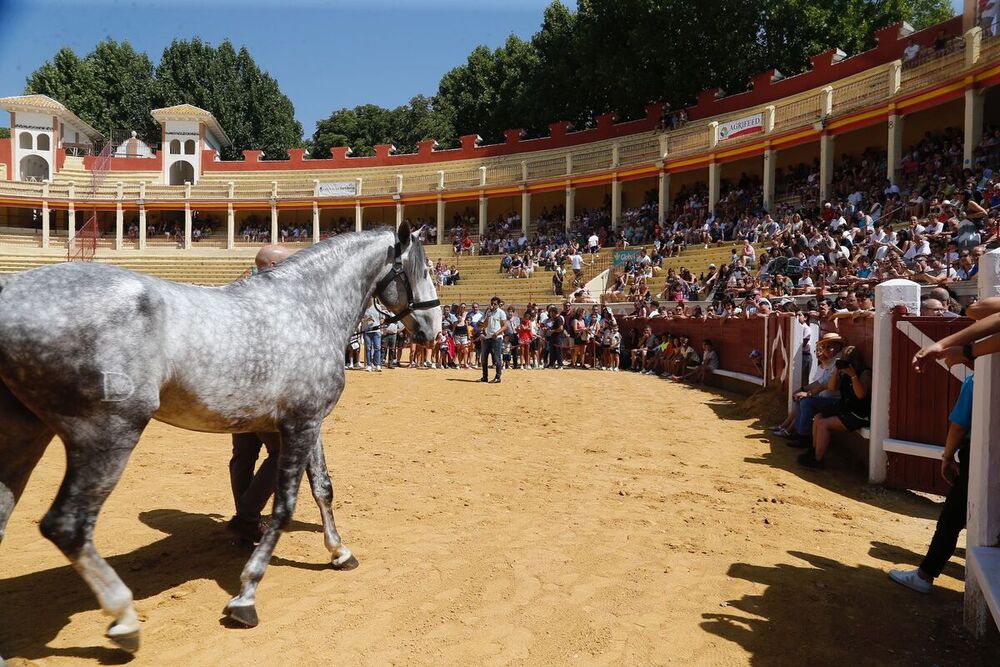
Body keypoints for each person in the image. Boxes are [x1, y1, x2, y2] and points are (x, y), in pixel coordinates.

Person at [227, 244, 292, 544]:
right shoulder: (273, 296)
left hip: (234, 390)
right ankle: (247, 516)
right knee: (283, 452)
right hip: (263, 391)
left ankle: (245, 518)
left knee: (243, 455)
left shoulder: (239, 290)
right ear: (274, 267)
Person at [889, 374, 974, 594]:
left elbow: (959, 426)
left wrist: (947, 457)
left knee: (951, 520)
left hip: (979, 456)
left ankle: (925, 575)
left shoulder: (977, 379)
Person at [799, 345, 872, 469]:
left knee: (823, 424)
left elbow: (860, 395)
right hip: (846, 408)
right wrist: (837, 371)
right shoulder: (843, 372)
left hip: (858, 414)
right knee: (818, 417)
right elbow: (832, 387)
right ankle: (814, 451)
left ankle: (818, 460)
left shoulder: (865, 373)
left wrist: (853, 376)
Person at [480, 296, 507, 383]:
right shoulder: (489, 312)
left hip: (497, 338)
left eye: (495, 304)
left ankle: (498, 377)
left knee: (497, 358)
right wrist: (488, 316)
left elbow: (505, 325)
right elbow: (484, 325)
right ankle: (485, 377)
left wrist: (497, 332)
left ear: (498, 304)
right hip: (488, 337)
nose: (493, 305)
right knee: (484, 358)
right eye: (492, 304)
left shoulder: (501, 312)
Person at [361, 298, 384, 372]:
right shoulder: (363, 307)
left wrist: (381, 329)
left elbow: (381, 318)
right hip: (367, 331)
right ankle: (369, 365)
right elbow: (360, 319)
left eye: (370, 298)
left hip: (376, 331)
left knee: (377, 348)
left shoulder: (378, 306)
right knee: (368, 349)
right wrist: (366, 319)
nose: (369, 299)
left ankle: (377, 365)